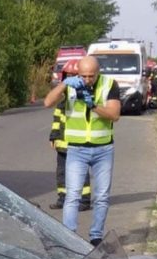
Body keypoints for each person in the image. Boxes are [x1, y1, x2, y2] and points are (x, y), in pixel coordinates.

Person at [43, 55, 121, 246]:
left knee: (102, 196)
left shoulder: (109, 84)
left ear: (98, 72)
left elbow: (114, 115)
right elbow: (47, 102)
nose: (87, 80)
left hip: (103, 148)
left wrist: (93, 105)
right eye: (83, 76)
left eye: (91, 76)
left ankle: (95, 237)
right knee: (72, 196)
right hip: (77, 149)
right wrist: (63, 85)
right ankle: (69, 239)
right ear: (77, 73)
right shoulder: (71, 85)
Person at [49, 60, 91, 210]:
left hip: (78, 143)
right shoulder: (63, 98)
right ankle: (63, 198)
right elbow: (57, 119)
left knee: (81, 172)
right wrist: (54, 136)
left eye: (74, 75)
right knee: (62, 172)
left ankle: (84, 200)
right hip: (62, 143)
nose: (71, 78)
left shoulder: (86, 95)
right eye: (69, 75)